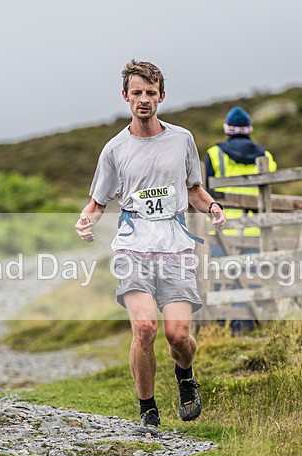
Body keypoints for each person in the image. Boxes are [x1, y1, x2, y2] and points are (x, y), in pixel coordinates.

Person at [75, 60, 226, 435]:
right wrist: (85, 221)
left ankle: (185, 374)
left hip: (174, 246)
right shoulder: (114, 149)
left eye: (151, 93)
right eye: (137, 93)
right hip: (132, 246)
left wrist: (212, 206)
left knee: (178, 336)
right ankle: (148, 410)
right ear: (125, 96)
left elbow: (193, 189)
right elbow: (98, 200)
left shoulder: (182, 139)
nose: (144, 100)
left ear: (162, 95)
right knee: (144, 328)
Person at [204, 106, 277, 334]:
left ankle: (223, 327)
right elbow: (271, 182)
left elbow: (203, 188)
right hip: (255, 229)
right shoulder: (265, 156)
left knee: (221, 279)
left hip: (222, 230)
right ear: (249, 129)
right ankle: (247, 325)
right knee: (251, 277)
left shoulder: (214, 154)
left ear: (227, 129)